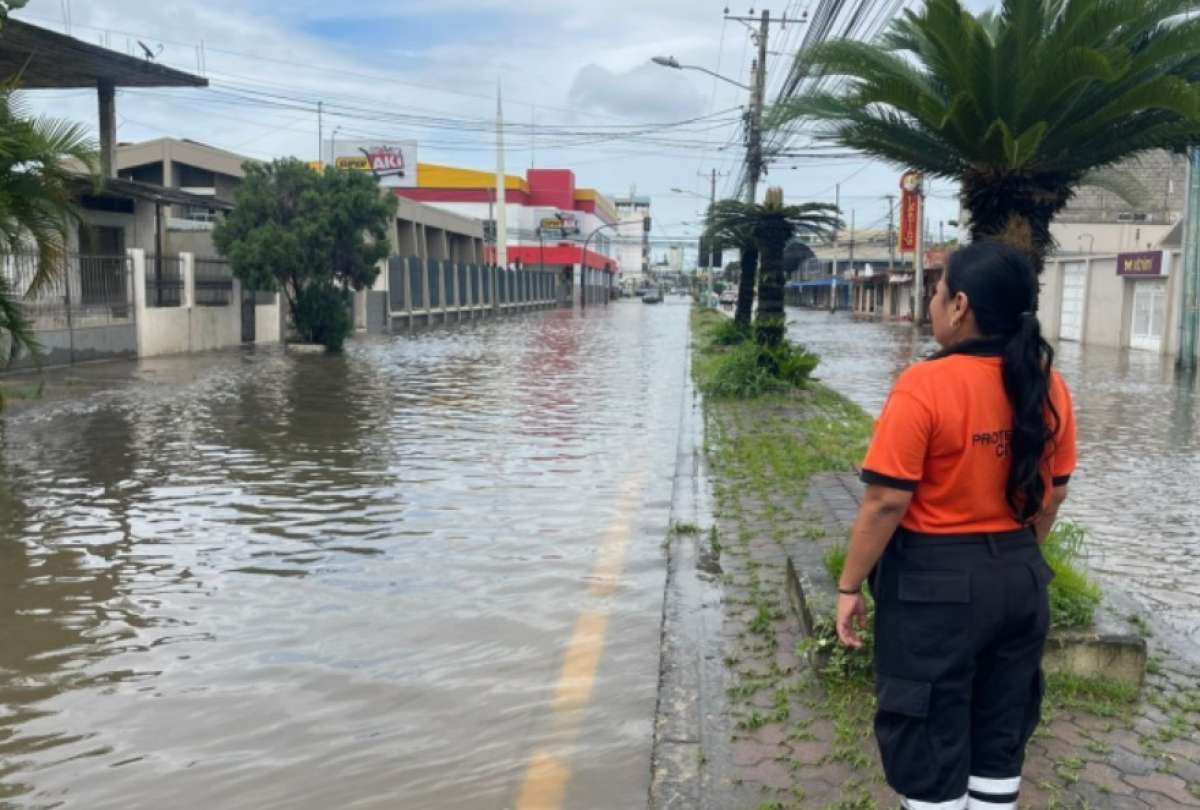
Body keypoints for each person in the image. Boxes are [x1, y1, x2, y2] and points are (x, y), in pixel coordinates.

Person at [835, 240, 1077, 810]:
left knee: (928, 744)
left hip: (932, 591)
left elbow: (885, 502)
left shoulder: (925, 386)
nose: (933, 303)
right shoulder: (1048, 384)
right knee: (999, 738)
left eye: (938, 292)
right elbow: (1054, 494)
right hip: (1020, 579)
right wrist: (1015, 556)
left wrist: (849, 586)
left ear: (961, 305)